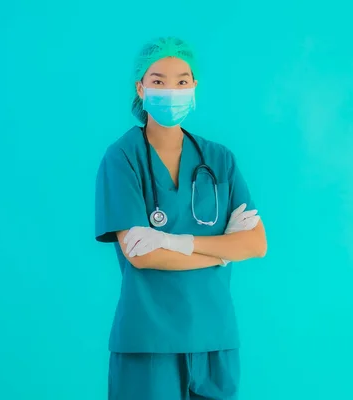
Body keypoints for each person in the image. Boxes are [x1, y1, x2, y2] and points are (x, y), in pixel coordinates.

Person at [94, 36, 267, 400]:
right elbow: (142, 255)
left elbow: (255, 243)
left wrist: (175, 241)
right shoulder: (123, 158)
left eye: (182, 81)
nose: (170, 90)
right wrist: (221, 250)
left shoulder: (219, 159)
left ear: (194, 87)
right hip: (149, 342)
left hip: (215, 339)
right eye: (158, 80)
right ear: (140, 87)